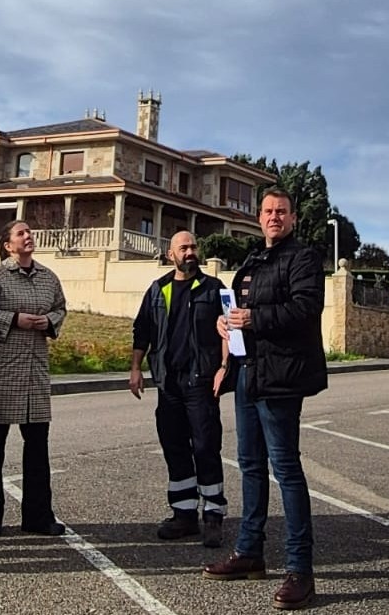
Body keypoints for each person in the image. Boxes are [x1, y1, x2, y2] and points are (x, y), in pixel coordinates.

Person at [203, 187, 327, 611]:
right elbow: (239, 309)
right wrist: (227, 326)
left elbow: (306, 308)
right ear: (259, 217)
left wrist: (255, 317)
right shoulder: (253, 260)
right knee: (251, 466)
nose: (274, 217)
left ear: (293, 218)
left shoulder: (304, 258)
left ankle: (300, 571)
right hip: (248, 374)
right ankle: (249, 552)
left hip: (282, 378)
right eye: (268, 211)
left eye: (282, 211)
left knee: (286, 469)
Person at [0, 220, 67, 537]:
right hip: (0, 372)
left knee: (38, 445)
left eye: (29, 232)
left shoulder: (49, 277)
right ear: (8, 244)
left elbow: (61, 308)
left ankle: (38, 517)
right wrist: (14, 319)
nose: (28, 236)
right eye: (21, 233)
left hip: (34, 371)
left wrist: (48, 321)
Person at [130, 231, 230, 548]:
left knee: (205, 446)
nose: (190, 251)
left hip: (201, 382)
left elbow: (231, 330)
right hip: (169, 384)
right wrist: (135, 368)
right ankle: (184, 514)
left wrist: (224, 368)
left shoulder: (214, 289)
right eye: (183, 247)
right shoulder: (159, 289)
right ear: (170, 254)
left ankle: (213, 514)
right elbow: (142, 329)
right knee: (174, 446)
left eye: (193, 246)